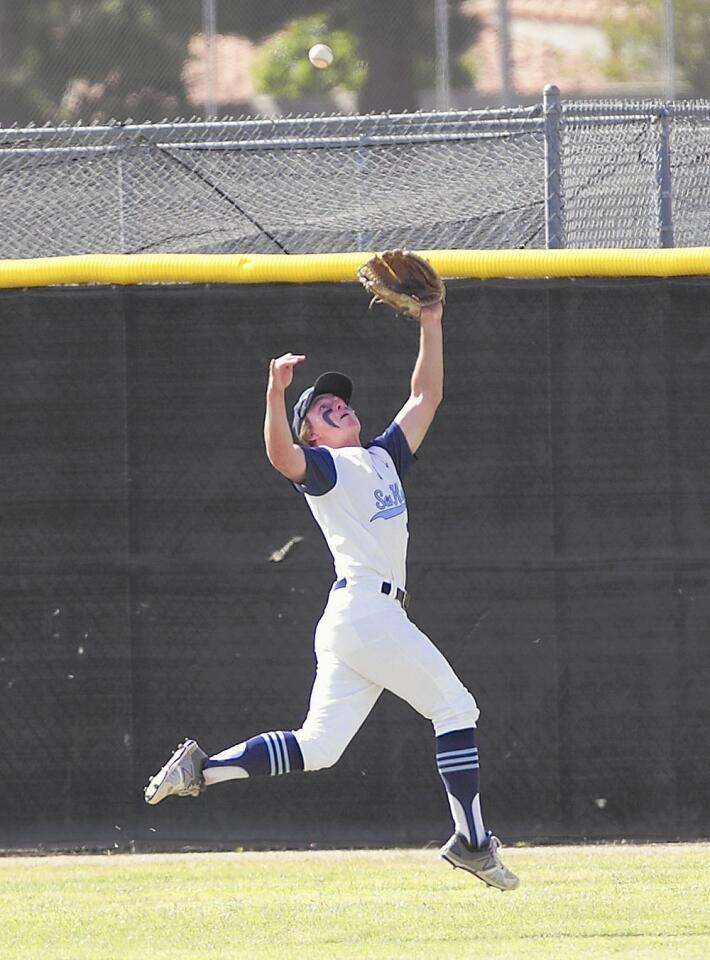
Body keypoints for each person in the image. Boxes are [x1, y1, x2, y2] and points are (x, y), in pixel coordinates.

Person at [144, 300, 519, 891]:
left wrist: (431, 321)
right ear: (312, 432)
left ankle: (203, 770)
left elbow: (426, 397)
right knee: (457, 709)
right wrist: (275, 393)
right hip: (367, 611)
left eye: (339, 399)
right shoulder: (325, 468)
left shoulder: (382, 457)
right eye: (323, 407)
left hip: (356, 619)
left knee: (319, 746)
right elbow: (280, 457)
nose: (338, 404)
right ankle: (472, 841)